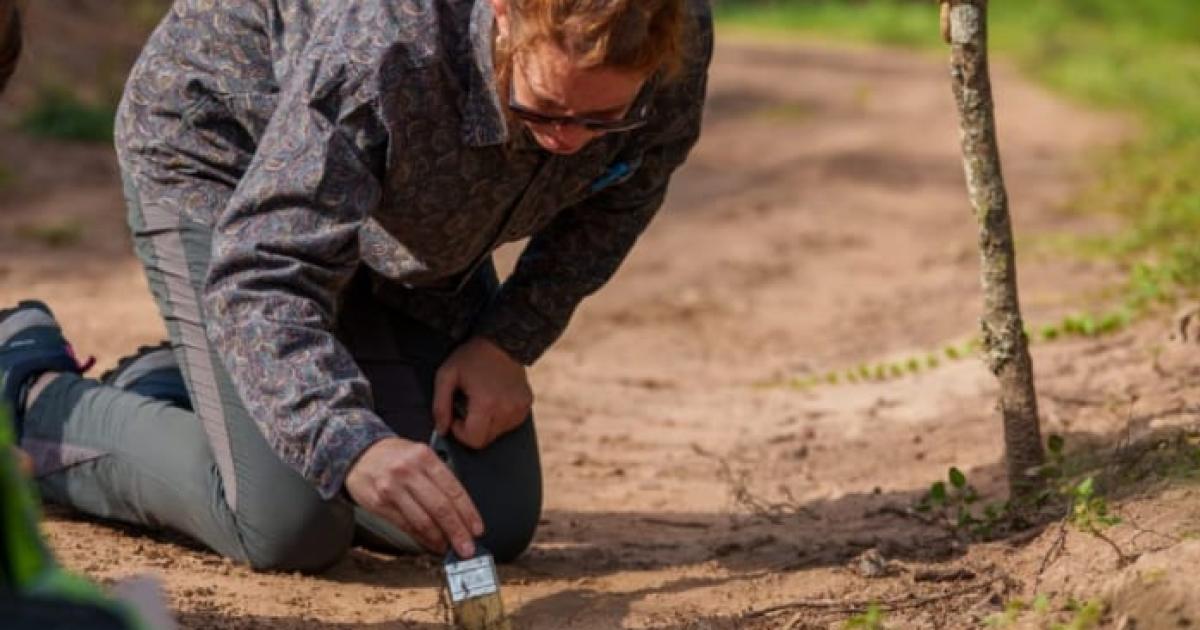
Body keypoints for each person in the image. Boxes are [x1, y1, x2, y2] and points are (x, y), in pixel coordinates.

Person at [0, 0, 712, 572]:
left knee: (481, 519)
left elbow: (626, 192)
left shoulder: (669, 37)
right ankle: (29, 391)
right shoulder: (388, 42)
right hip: (227, 164)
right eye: (543, 111)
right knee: (289, 524)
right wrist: (349, 444)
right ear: (503, 13)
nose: (569, 140)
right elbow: (264, 270)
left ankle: (177, 383)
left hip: (406, 227)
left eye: (602, 118)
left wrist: (507, 340)